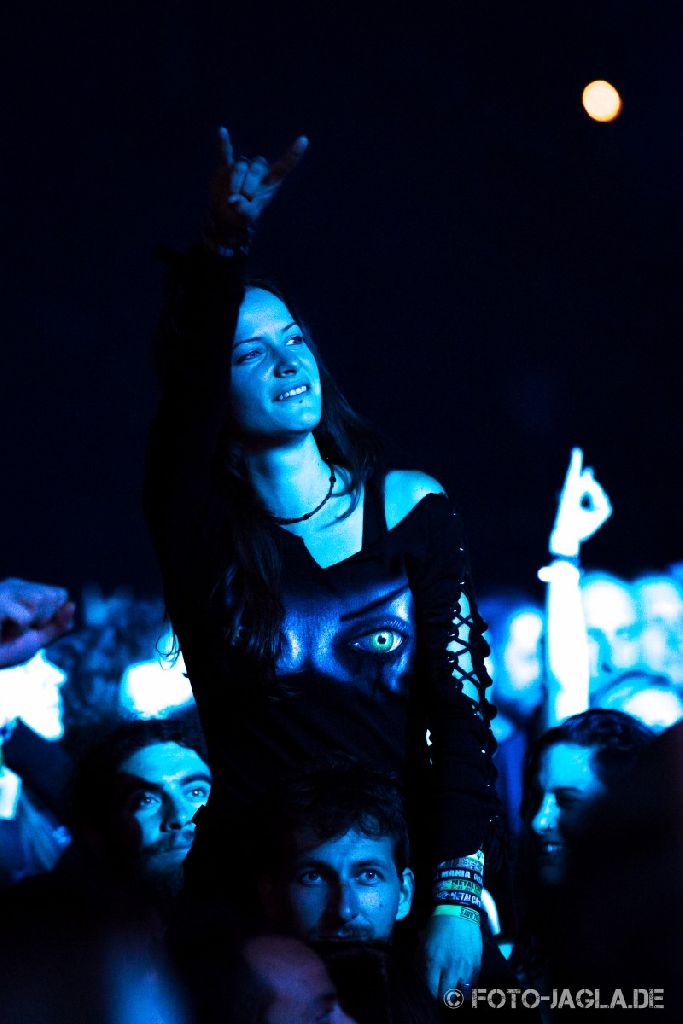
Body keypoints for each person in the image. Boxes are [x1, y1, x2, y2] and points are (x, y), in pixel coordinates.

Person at [144, 126, 500, 1001]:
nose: (285, 360)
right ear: (212, 384)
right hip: (250, 895)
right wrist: (226, 244)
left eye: (293, 338)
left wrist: (455, 894)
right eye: (248, 351)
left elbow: (460, 718)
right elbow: (184, 403)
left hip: (393, 885)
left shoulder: (413, 506)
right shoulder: (199, 529)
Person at [510, 709, 653, 997]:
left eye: (568, 801)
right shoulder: (519, 952)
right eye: (536, 797)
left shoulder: (659, 953)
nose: (540, 821)